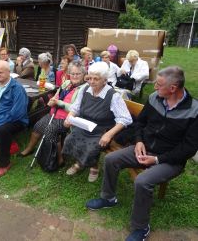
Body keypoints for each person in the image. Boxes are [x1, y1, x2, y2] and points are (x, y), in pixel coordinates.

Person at [85, 66, 198, 241]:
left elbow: (189, 148)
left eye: (158, 85)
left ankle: (141, 228)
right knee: (111, 159)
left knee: (142, 181)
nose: (154, 88)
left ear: (173, 88)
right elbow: (140, 123)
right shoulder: (155, 98)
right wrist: (138, 141)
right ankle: (108, 198)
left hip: (171, 160)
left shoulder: (194, 110)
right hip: (144, 149)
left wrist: (157, 159)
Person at [62, 62, 132, 182]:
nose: (92, 81)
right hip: (85, 125)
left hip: (102, 129)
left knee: (92, 146)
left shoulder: (113, 95)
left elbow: (125, 118)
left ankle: (93, 167)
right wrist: (69, 117)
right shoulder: (85, 89)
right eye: (89, 78)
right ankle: (80, 162)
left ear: (105, 80)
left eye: (96, 79)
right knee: (70, 139)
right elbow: (75, 107)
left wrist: (109, 134)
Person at [20, 60, 87, 166]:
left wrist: (59, 103)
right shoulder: (66, 83)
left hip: (67, 119)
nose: (74, 76)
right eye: (72, 73)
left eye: (78, 73)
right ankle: (29, 149)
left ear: (83, 74)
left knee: (50, 130)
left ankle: (58, 159)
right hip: (53, 113)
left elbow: (77, 109)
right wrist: (52, 100)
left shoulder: (84, 88)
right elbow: (57, 95)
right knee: (38, 125)